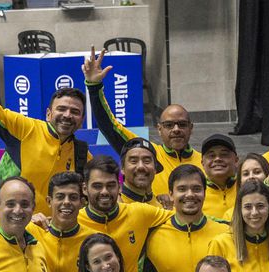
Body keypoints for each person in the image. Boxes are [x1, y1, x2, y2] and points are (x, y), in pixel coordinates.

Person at [0, 49, 88, 217]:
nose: (67, 115)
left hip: (45, 231)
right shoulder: (25, 129)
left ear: (82, 120)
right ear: (48, 114)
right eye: (61, 109)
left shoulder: (82, 154)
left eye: (75, 112)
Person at [83, 47, 199, 198]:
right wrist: (94, 87)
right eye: (169, 125)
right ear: (159, 129)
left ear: (191, 128)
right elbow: (109, 126)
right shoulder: (145, 153)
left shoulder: (205, 162)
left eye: (182, 124)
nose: (176, 129)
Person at [142, 165, 229, 272]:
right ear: (171, 194)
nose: (190, 195)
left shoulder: (226, 232)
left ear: (205, 192)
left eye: (196, 189)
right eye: (182, 189)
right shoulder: (152, 234)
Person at [76, 156, 174, 272]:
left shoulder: (139, 212)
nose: (104, 191)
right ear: (85, 189)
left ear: (120, 186)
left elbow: (181, 218)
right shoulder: (74, 222)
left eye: (111, 185)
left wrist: (172, 203)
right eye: (97, 186)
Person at [200, 134, 240, 220]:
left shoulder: (245, 188)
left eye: (224, 155)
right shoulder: (196, 193)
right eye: (211, 156)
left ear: (236, 160)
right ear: (202, 163)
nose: (217, 159)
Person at [115, 137, 164, 206]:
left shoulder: (163, 206)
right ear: (122, 168)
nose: (141, 166)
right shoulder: (112, 206)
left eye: (147, 161)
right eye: (134, 161)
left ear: (155, 168)